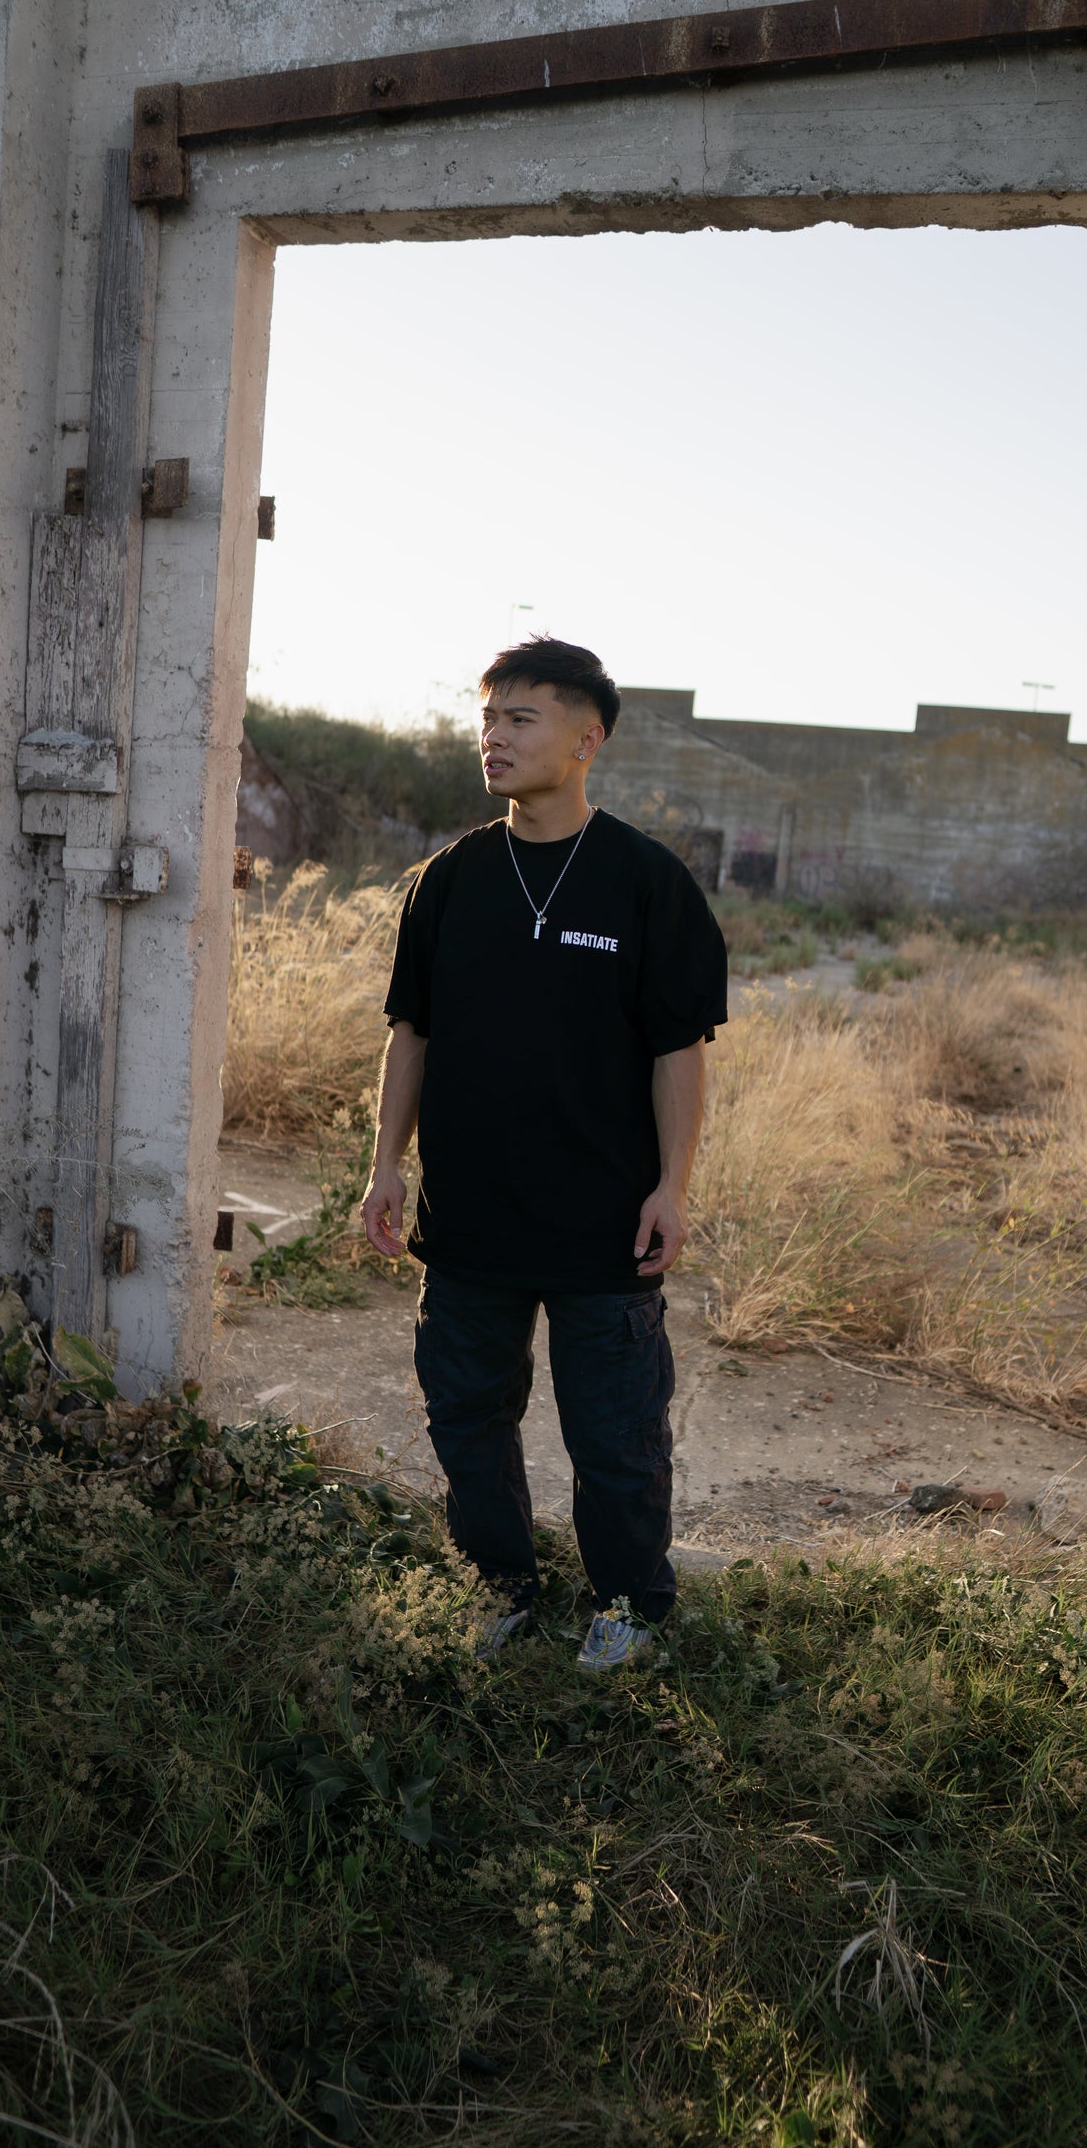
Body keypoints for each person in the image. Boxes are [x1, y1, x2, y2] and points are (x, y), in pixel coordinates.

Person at [359, 636, 728, 1670]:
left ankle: (627, 1605)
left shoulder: (647, 883)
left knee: (612, 1436)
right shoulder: (449, 880)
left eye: (520, 718)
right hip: (470, 1215)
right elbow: (411, 1035)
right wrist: (384, 1165)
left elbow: (676, 1051)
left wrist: (670, 1185)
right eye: (487, 718)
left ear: (586, 738)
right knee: (467, 1413)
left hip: (602, 1218)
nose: (494, 736)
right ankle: (497, 1583)